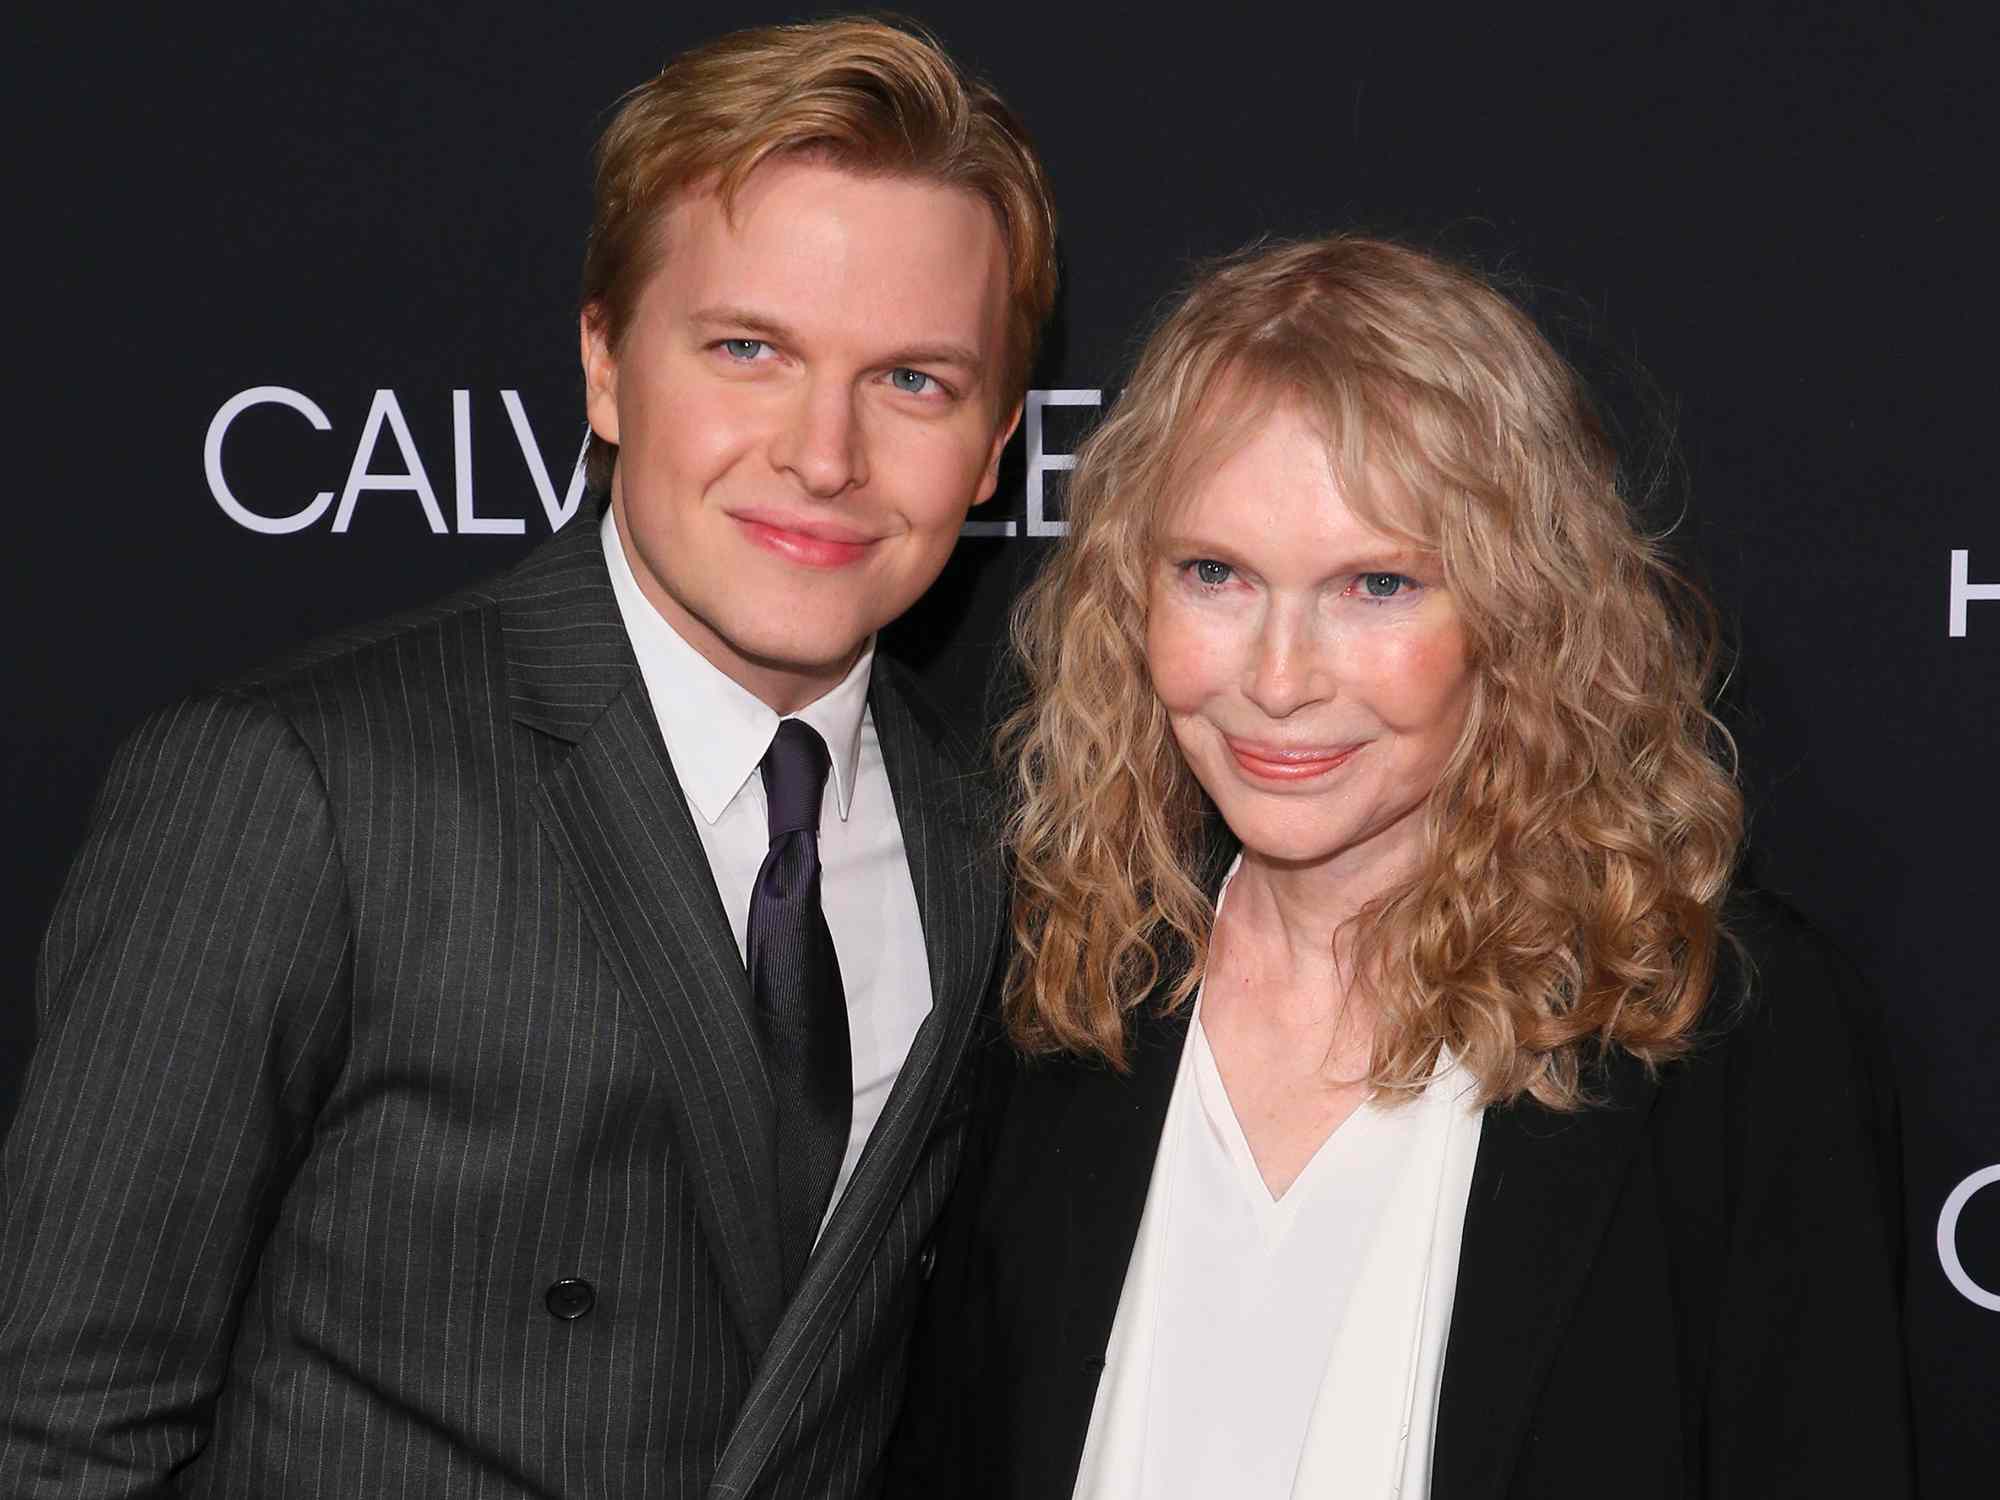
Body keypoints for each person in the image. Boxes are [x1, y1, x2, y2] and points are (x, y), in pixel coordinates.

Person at [0, 17, 1055, 1497]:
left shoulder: (982, 845)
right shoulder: (296, 787)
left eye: (913, 384)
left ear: (997, 443)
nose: (826, 453)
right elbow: (57, 1437)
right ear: (608, 367)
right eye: (749, 350)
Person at [886, 236, 1912, 1498]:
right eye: (1213, 574)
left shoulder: (1720, 1036)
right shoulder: (1055, 991)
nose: (1275, 678)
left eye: (1373, 586)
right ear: (1125, 596)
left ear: (1518, 611)